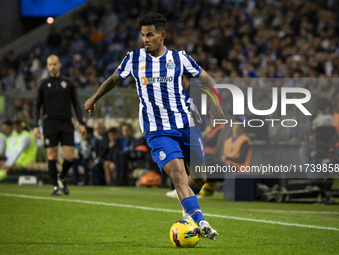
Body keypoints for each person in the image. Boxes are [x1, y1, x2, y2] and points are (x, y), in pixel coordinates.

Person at [84, 13, 224, 240]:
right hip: (157, 130)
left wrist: (215, 102)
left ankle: (186, 206)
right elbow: (113, 79)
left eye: (150, 35)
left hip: (186, 124)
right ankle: (200, 221)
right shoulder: (134, 59)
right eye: (143, 35)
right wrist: (94, 99)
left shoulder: (180, 58)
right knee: (178, 175)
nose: (145, 39)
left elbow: (207, 79)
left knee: (199, 178)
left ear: (162, 35)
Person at [33, 54, 85, 196]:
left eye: (55, 64)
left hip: (66, 122)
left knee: (70, 156)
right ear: (47, 66)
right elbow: (37, 106)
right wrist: (36, 125)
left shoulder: (68, 83)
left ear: (60, 65)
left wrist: (81, 122)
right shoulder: (43, 84)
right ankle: (55, 187)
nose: (52, 67)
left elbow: (76, 104)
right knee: (52, 155)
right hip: (50, 122)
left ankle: (61, 177)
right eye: (50, 64)